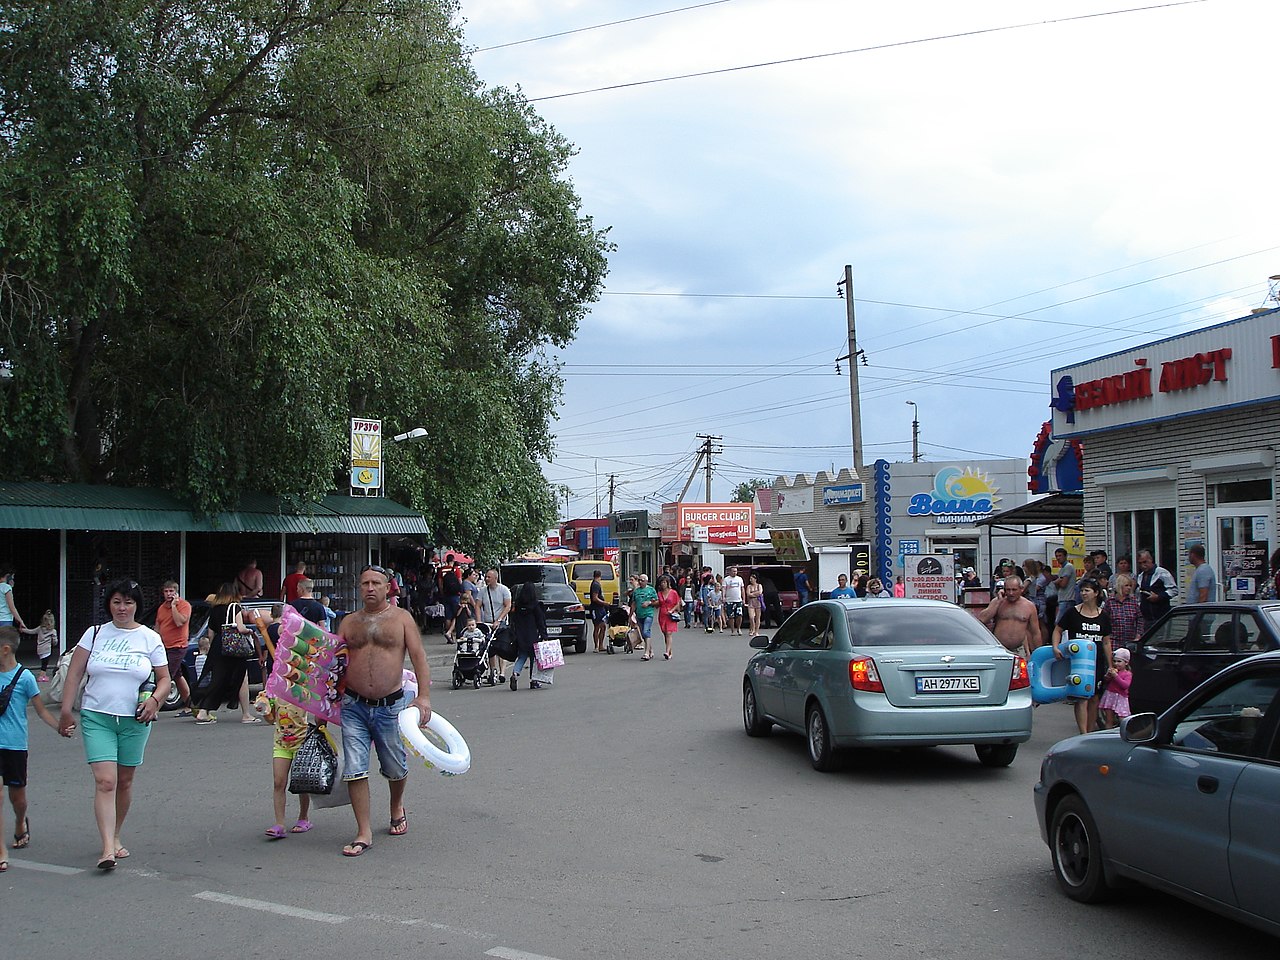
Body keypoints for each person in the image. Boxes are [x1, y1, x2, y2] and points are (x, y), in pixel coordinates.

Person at [56, 579, 172, 870]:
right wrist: (67, 710)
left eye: (128, 602)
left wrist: (155, 701)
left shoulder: (149, 638)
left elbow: (165, 679)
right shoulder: (94, 634)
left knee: (125, 781)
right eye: (117, 602)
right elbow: (74, 674)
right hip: (97, 716)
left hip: (135, 719)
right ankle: (107, 848)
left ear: (137, 606)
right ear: (109, 604)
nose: (122, 608)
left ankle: (117, 835)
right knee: (105, 781)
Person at [336, 564, 432, 858]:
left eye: (376, 583)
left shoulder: (402, 619)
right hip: (353, 705)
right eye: (365, 583)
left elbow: (418, 657)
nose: (369, 588)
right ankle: (363, 831)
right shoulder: (348, 622)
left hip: (391, 705)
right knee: (354, 768)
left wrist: (424, 697)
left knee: (394, 767)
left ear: (388, 587)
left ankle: (396, 805)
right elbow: (334, 664)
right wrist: (324, 703)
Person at [0, 626, 66, 873]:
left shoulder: (25, 678)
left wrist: (59, 727)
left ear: (5, 650)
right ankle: (1, 851)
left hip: (15, 745)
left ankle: (20, 823)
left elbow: (40, 710)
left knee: (18, 798)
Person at [1053, 578, 1112, 736]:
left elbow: (1106, 642)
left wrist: (1110, 664)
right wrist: (1055, 647)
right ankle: (1083, 733)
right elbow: (1058, 630)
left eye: (1087, 590)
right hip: (1078, 662)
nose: (1084, 593)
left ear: (1096, 593)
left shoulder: (1103, 616)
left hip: (1097, 663)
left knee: (1094, 698)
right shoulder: (1072, 612)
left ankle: (1091, 733)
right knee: (1081, 697)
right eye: (1082, 590)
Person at [192, 583, 258, 725]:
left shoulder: (215, 609)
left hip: (218, 645)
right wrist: (249, 631)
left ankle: (204, 711)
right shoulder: (235, 607)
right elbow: (240, 628)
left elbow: (211, 633)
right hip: (233, 647)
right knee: (242, 678)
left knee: (217, 679)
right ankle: (246, 714)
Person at [263, 693, 314, 840]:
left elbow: (317, 707)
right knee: (278, 782)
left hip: (301, 742)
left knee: (301, 782)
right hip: (281, 744)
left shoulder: (302, 692)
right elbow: (270, 719)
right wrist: (265, 709)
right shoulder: (273, 695)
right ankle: (279, 824)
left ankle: (304, 818)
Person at [976, 576, 1039, 658]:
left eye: (1014, 590)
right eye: (1008, 590)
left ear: (1021, 589)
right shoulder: (998, 602)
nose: (1011, 593)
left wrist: (1037, 653)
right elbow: (982, 619)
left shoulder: (1029, 606)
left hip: (1019, 650)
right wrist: (998, 601)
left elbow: (1035, 632)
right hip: (999, 648)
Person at [507, 582, 550, 690]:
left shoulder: (518, 605)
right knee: (534, 659)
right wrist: (544, 635)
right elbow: (540, 621)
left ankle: (515, 674)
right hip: (532, 635)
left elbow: (514, 620)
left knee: (522, 656)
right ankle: (533, 680)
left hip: (520, 635)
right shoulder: (535, 605)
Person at [476, 569, 512, 682]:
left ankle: (502, 672)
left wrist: (499, 619)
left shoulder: (504, 590)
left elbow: (508, 606)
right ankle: (493, 671)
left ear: (495, 578)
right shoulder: (483, 591)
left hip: (501, 624)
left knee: (501, 648)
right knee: (490, 648)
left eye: (489, 577)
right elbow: (477, 606)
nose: (486, 579)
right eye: (486, 577)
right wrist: (478, 622)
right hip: (488, 623)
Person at [1136, 549, 1178, 623]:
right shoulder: (1141, 576)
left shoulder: (1161, 572)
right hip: (1146, 618)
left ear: (1151, 559)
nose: (1143, 565)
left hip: (1161, 616)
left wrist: (1159, 597)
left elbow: (1174, 590)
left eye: (1145, 562)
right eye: (1140, 563)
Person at [1105, 574, 1144, 653]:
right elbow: (1104, 620)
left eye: (1130, 585)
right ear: (1120, 586)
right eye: (1126, 585)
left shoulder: (1133, 601)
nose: (1129, 588)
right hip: (1114, 640)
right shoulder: (1110, 602)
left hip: (1130, 641)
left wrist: (1138, 635)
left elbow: (1140, 619)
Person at [1098, 647, 1132, 729]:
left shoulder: (1128, 674)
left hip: (1121, 697)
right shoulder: (1113, 671)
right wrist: (1107, 676)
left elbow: (1125, 686)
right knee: (1109, 719)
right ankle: (1107, 732)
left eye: (1119, 661)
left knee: (1122, 718)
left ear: (1126, 662)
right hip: (1110, 695)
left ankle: (1124, 733)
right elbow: (1107, 682)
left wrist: (1116, 676)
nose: (1116, 663)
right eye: (1114, 661)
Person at [22, 610, 60, 681]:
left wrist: (23, 630)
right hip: (47, 649)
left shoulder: (39, 628)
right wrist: (54, 642)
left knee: (43, 662)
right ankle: (42, 676)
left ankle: (43, 675)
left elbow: (31, 631)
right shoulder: (53, 631)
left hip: (40, 649)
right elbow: (55, 642)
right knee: (44, 664)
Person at [631, 574, 659, 660]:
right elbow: (633, 603)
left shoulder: (651, 590)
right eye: (639, 580)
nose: (640, 582)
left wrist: (649, 603)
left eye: (642, 580)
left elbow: (657, 602)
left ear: (646, 581)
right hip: (639, 614)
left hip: (648, 614)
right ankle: (650, 649)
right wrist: (630, 615)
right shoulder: (636, 591)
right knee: (643, 634)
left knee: (646, 631)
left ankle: (646, 653)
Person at [656, 575, 682, 660]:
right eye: (661, 583)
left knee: (669, 633)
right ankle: (669, 651)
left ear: (668, 583)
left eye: (664, 582)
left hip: (670, 614)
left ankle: (667, 652)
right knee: (665, 634)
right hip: (662, 615)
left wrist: (672, 610)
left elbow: (677, 603)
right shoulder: (659, 593)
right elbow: (659, 603)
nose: (663, 584)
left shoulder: (673, 592)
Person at [439, 555, 464, 643]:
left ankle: (449, 636)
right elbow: (460, 582)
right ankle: (454, 633)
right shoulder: (456, 570)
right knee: (457, 614)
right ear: (453, 560)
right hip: (455, 595)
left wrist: (442, 593)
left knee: (448, 616)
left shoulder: (441, 570)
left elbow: (440, 584)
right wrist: (461, 592)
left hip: (446, 595)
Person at [0, 567, 30, 637]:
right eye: (12, 577)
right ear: (8, 576)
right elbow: (12, 607)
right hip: (5, 619)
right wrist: (20, 621)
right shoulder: (6, 588)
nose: (13, 579)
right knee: (5, 643)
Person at [722, 566, 745, 636]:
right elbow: (724, 589)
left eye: (736, 571)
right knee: (731, 616)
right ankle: (732, 630)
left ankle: (738, 628)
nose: (735, 572)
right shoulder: (726, 579)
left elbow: (742, 589)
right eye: (733, 571)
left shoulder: (739, 579)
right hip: (729, 600)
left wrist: (744, 599)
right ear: (730, 572)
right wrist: (723, 597)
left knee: (739, 615)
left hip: (738, 600)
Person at [589, 570, 608, 652]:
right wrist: (605, 603)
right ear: (600, 576)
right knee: (597, 626)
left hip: (600, 608)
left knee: (603, 626)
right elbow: (595, 598)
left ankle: (600, 645)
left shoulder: (596, 583)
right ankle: (596, 646)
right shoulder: (596, 585)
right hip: (596, 608)